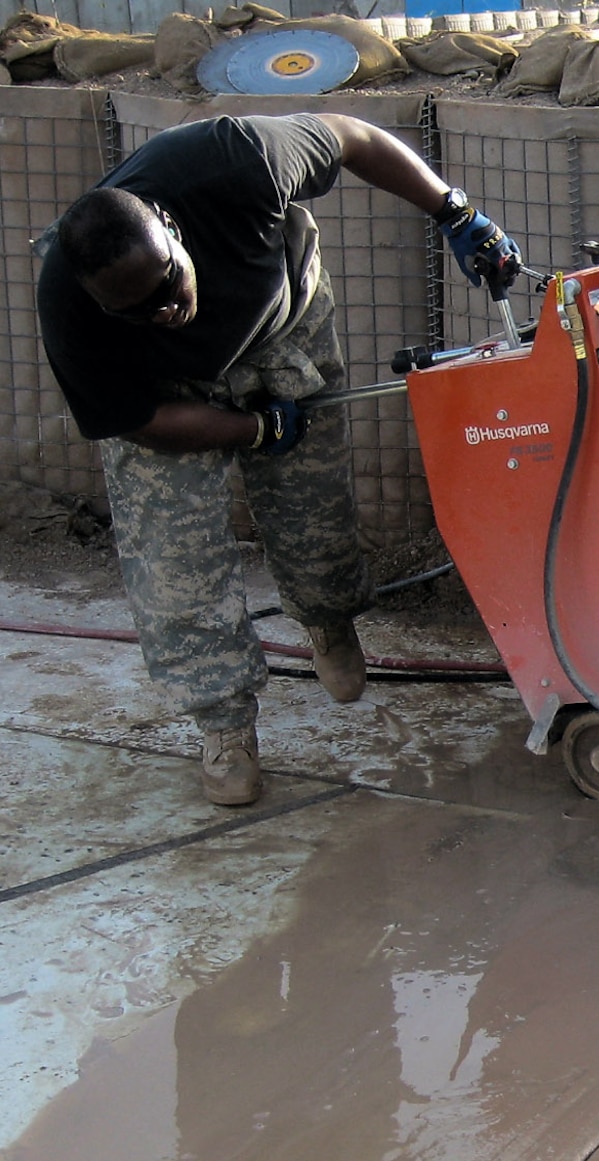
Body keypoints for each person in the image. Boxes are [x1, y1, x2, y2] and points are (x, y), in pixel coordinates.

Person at [36, 112, 520, 807]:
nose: (167, 310)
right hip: (171, 397)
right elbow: (141, 421)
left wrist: (455, 210)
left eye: (169, 284)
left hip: (278, 324)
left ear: (172, 229)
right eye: (138, 310)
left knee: (314, 509)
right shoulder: (70, 303)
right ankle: (225, 724)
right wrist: (253, 430)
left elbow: (355, 138)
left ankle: (327, 619)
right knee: (172, 557)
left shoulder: (234, 160)